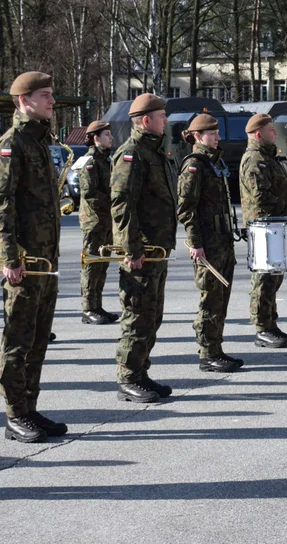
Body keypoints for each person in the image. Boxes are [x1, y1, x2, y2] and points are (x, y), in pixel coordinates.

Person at [0, 72, 65, 443]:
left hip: (45, 260)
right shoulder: (11, 144)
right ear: (23, 100)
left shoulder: (39, 141)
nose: (51, 101)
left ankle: (30, 406)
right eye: (44, 96)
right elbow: (1, 205)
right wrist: (10, 257)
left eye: (51, 95)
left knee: (37, 337)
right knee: (18, 337)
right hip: (25, 260)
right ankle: (15, 413)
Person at [111, 93, 177, 403]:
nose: (167, 121)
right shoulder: (133, 153)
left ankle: (141, 371)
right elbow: (123, 204)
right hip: (141, 252)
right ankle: (128, 377)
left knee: (152, 316)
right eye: (162, 116)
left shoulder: (155, 152)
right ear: (147, 120)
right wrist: (131, 248)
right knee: (137, 316)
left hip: (157, 250)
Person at [176, 114, 241, 373]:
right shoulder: (195, 165)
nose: (218, 137)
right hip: (207, 243)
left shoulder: (214, 161)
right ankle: (207, 353)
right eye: (212, 133)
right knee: (210, 298)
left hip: (222, 241)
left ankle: (216, 348)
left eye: (217, 132)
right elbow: (186, 208)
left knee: (221, 298)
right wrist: (194, 242)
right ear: (197, 136)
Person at [239, 113, 287, 349]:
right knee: (263, 279)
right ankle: (262, 327)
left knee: (273, 278)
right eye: (270, 130)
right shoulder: (254, 159)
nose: (275, 133)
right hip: (264, 225)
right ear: (257, 134)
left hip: (274, 224)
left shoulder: (267, 157)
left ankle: (271, 323)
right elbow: (260, 196)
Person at [76, 120, 120, 325]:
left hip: (105, 220)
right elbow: (89, 193)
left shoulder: (105, 159)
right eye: (107, 135)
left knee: (102, 264)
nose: (111, 138)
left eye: (110, 134)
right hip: (94, 220)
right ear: (96, 138)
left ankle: (97, 305)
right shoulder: (90, 161)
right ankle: (88, 309)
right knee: (92, 265)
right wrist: (114, 202)